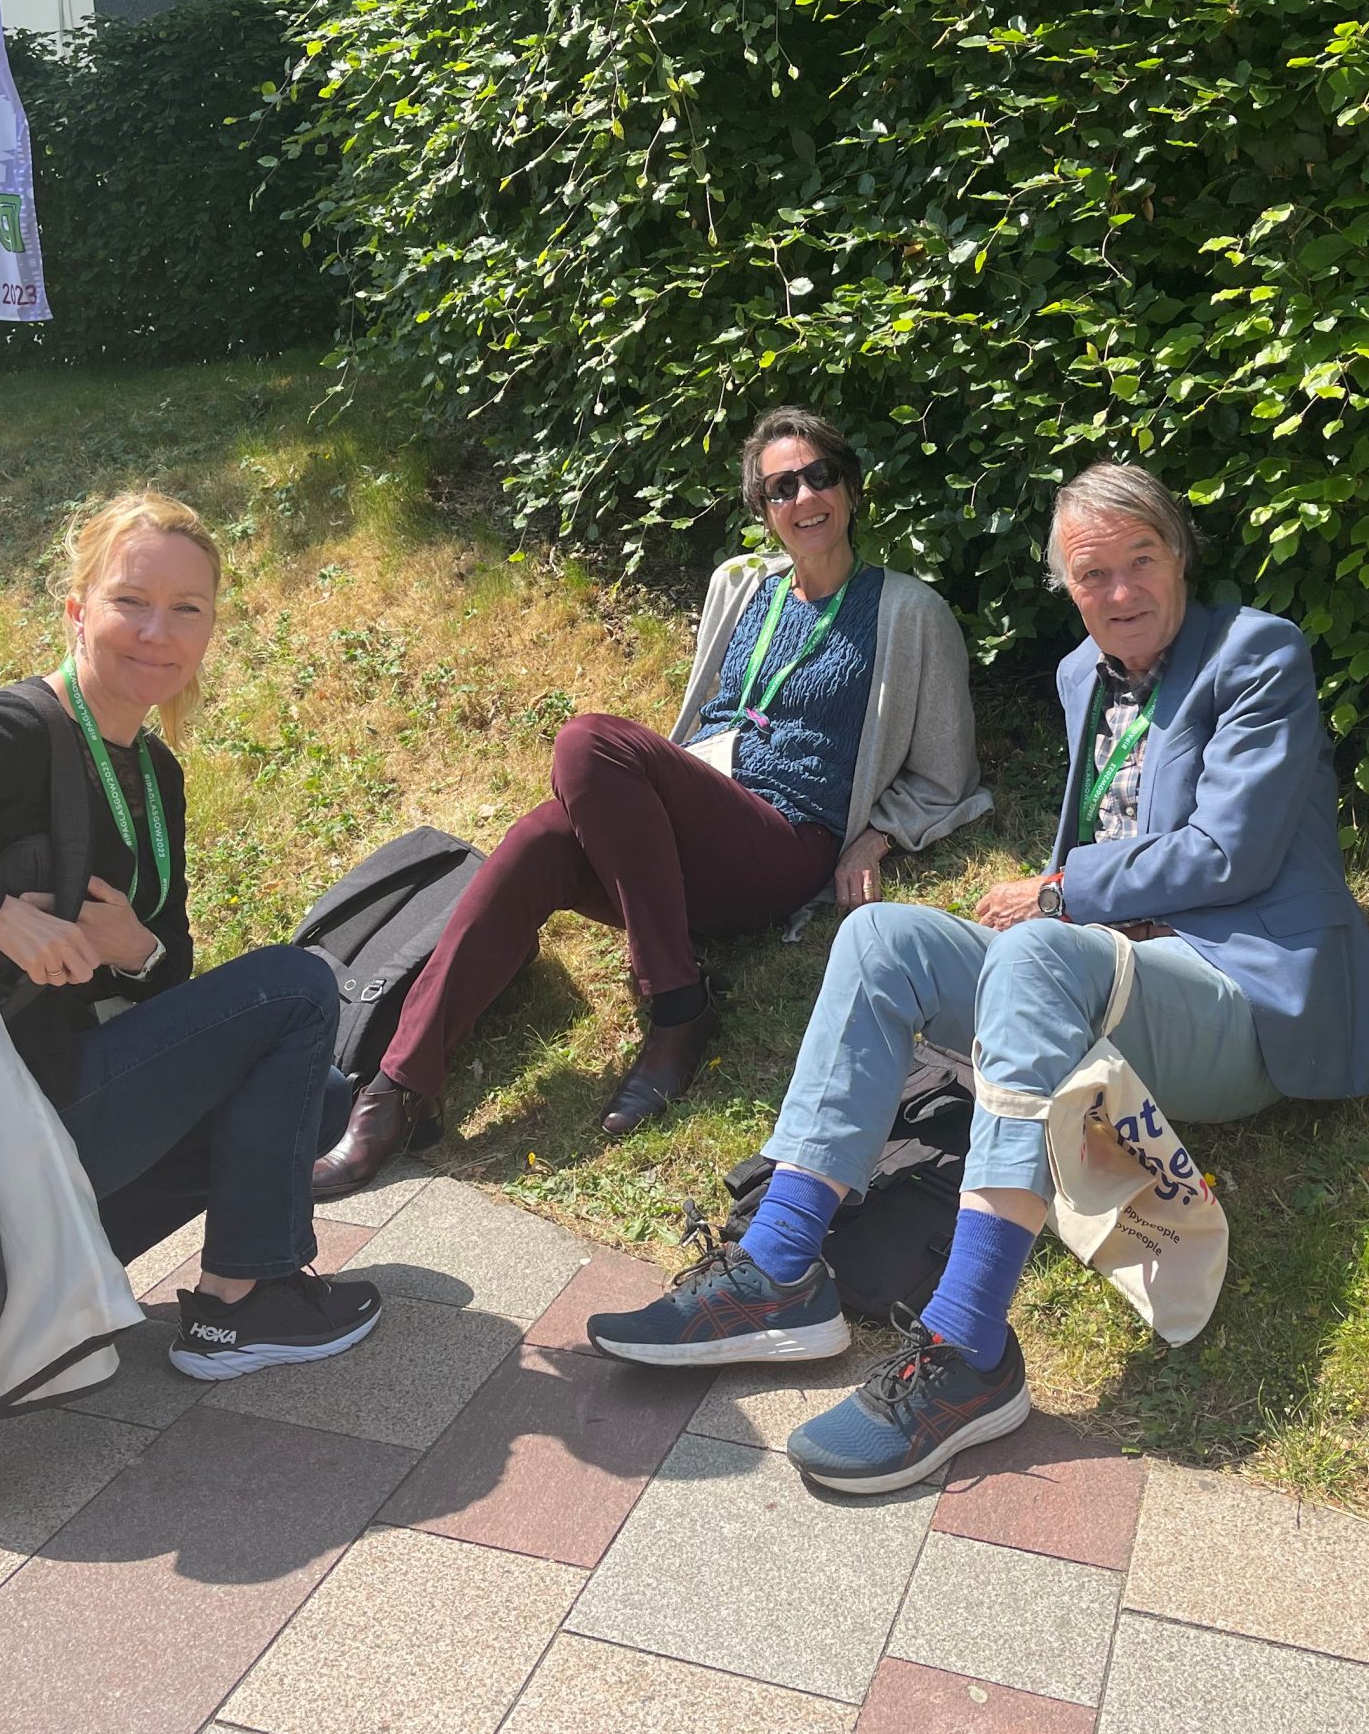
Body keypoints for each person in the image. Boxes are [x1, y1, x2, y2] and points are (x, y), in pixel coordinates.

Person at [587, 459, 1369, 1492]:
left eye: (1137, 563)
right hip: (1108, 978)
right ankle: (779, 1267)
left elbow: (1227, 854)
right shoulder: (1079, 675)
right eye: (1090, 576)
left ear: (1178, 554)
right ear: (1066, 590)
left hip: (1236, 993)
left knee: (1033, 943)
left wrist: (1060, 890)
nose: (1117, 594)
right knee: (879, 936)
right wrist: (1064, 908)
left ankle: (968, 1347)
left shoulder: (1255, 656)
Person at [0, 490, 381, 1381]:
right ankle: (243, 1303)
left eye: (186, 610)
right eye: (130, 601)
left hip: (60, 1090)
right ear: (77, 608)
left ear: (211, 629)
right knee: (295, 987)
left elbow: (168, 982)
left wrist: (143, 950)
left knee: (315, 1099)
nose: (156, 632)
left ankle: (63, 1269)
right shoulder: (10, 733)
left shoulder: (153, 769)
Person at [315, 407, 991, 1196]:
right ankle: (400, 1088)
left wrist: (876, 838)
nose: (804, 497)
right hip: (691, 830)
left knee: (587, 742)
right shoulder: (742, 589)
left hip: (781, 839)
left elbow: (948, 771)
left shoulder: (908, 611)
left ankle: (676, 1006)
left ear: (849, 486)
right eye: (781, 487)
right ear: (763, 511)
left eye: (819, 476)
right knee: (540, 839)